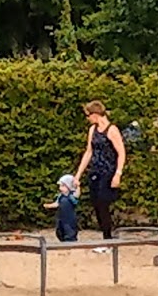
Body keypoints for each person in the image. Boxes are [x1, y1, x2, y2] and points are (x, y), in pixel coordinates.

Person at [73, 100, 126, 240]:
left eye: (88, 115)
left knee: (103, 204)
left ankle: (108, 238)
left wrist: (118, 173)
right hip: (95, 170)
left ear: (95, 114)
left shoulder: (112, 130)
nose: (88, 118)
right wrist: (78, 174)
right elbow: (89, 152)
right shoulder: (93, 130)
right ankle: (105, 235)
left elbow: (121, 152)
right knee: (96, 204)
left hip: (108, 171)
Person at [47, 174, 79, 242]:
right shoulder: (60, 196)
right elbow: (57, 203)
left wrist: (78, 186)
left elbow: (77, 193)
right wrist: (49, 205)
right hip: (61, 217)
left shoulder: (72, 196)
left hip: (70, 217)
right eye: (60, 186)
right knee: (59, 229)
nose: (60, 188)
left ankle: (70, 240)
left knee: (69, 230)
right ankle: (62, 239)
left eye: (62, 186)